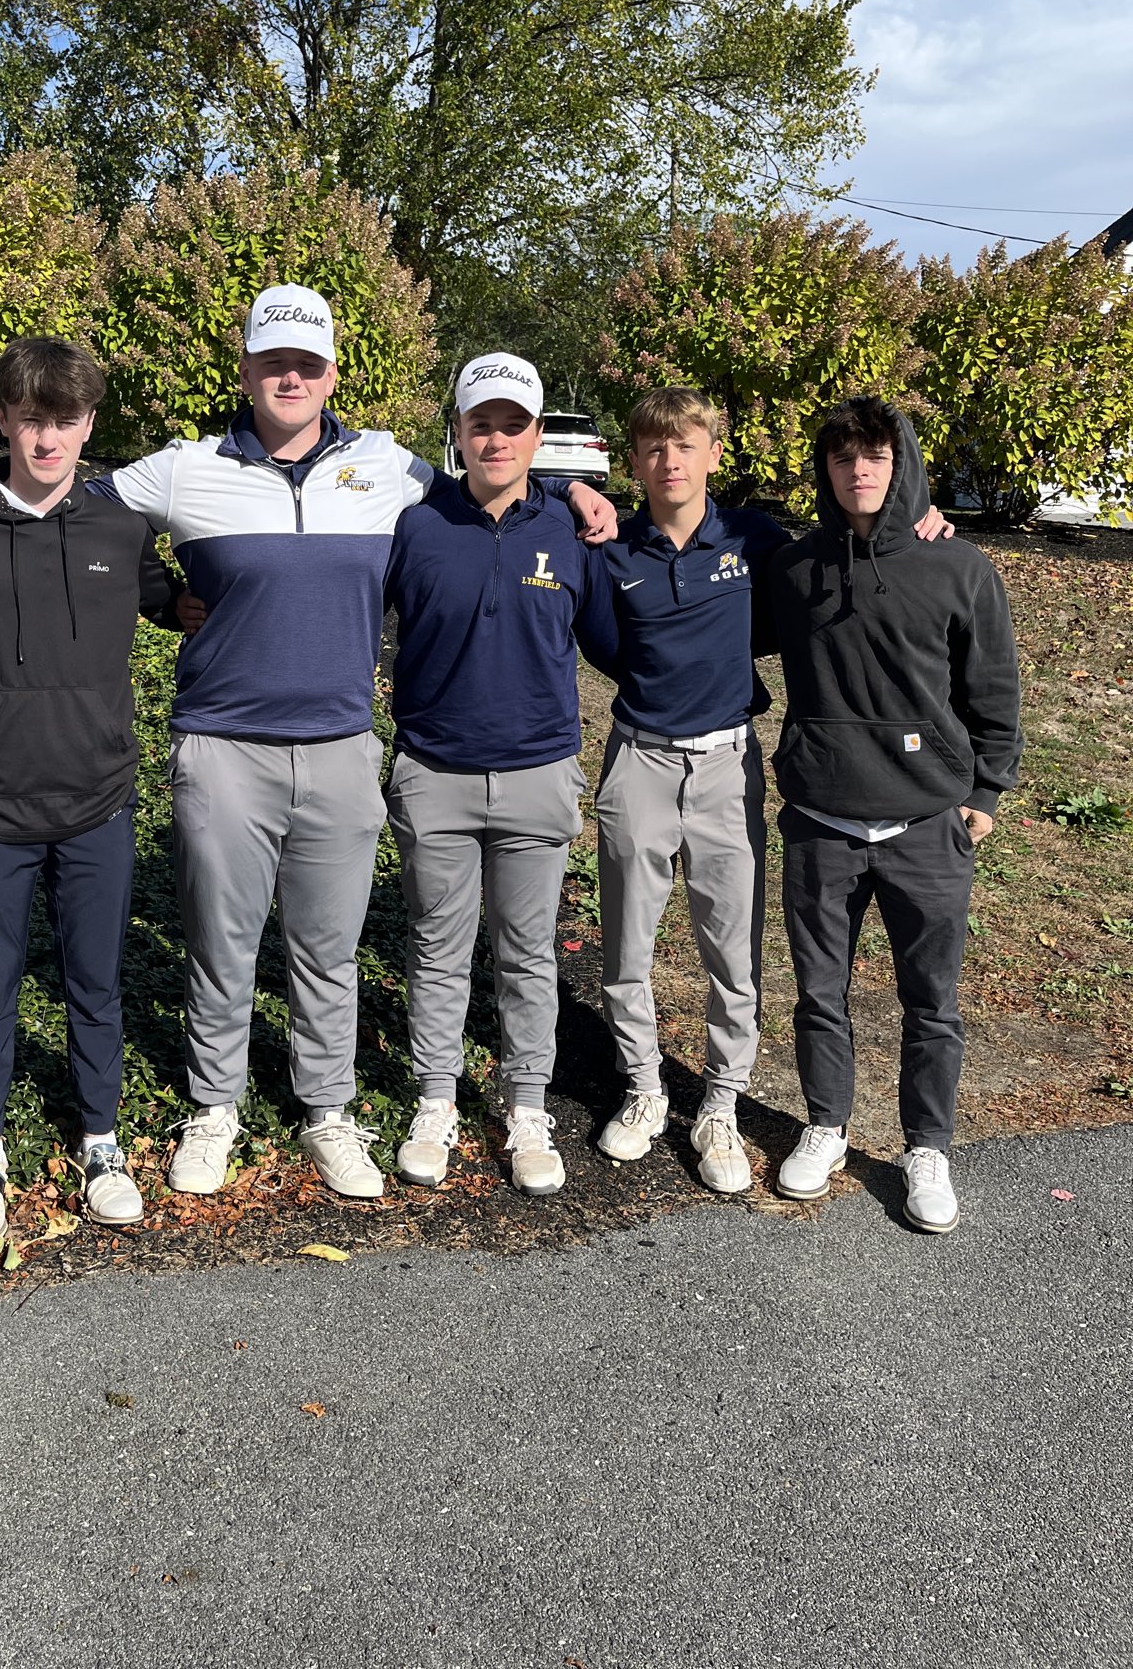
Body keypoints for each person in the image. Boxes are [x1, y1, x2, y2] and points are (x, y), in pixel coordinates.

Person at [0, 285, 615, 1200]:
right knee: (221, 946)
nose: (290, 378)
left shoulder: (387, 467)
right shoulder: (186, 468)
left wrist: (568, 487)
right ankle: (214, 1109)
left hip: (340, 749)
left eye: (306, 365)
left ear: (332, 375)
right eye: (273, 362)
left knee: (327, 951)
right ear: (245, 371)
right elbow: (55, 486)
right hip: (222, 750)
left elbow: (492, 489)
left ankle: (328, 1112)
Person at [575, 387, 954, 1198]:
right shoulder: (610, 548)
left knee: (732, 949)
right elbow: (602, 641)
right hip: (639, 761)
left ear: (714, 455)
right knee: (627, 946)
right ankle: (644, 1089)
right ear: (633, 461)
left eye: (686, 445)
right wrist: (570, 486)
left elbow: (845, 554)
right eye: (653, 448)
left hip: (725, 764)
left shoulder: (755, 540)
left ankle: (720, 1104)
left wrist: (920, 520)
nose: (670, 461)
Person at [0, 338, 184, 1249]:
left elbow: (188, 603)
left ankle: (100, 1141)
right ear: (5, 420)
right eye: (29, 420)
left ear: (89, 424)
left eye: (64, 420)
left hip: (99, 801)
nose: (47, 439)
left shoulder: (120, 528)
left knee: (95, 984)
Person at [767, 398, 1021, 1233]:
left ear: (900, 463)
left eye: (875, 456)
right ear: (825, 469)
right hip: (822, 819)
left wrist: (984, 795)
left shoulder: (959, 567)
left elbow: (993, 691)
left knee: (931, 1000)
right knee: (819, 994)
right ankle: (826, 1127)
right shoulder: (794, 569)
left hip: (927, 826)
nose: (859, 472)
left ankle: (927, 1148)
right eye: (843, 458)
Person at [385, 353, 595, 1196]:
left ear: (538, 435)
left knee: (527, 954)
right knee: (437, 948)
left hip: (539, 771)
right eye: (482, 424)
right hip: (434, 771)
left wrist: (578, 493)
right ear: (459, 432)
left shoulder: (575, 530)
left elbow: (617, 635)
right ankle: (436, 1099)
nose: (497, 440)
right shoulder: (414, 523)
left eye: (514, 425)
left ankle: (527, 1107)